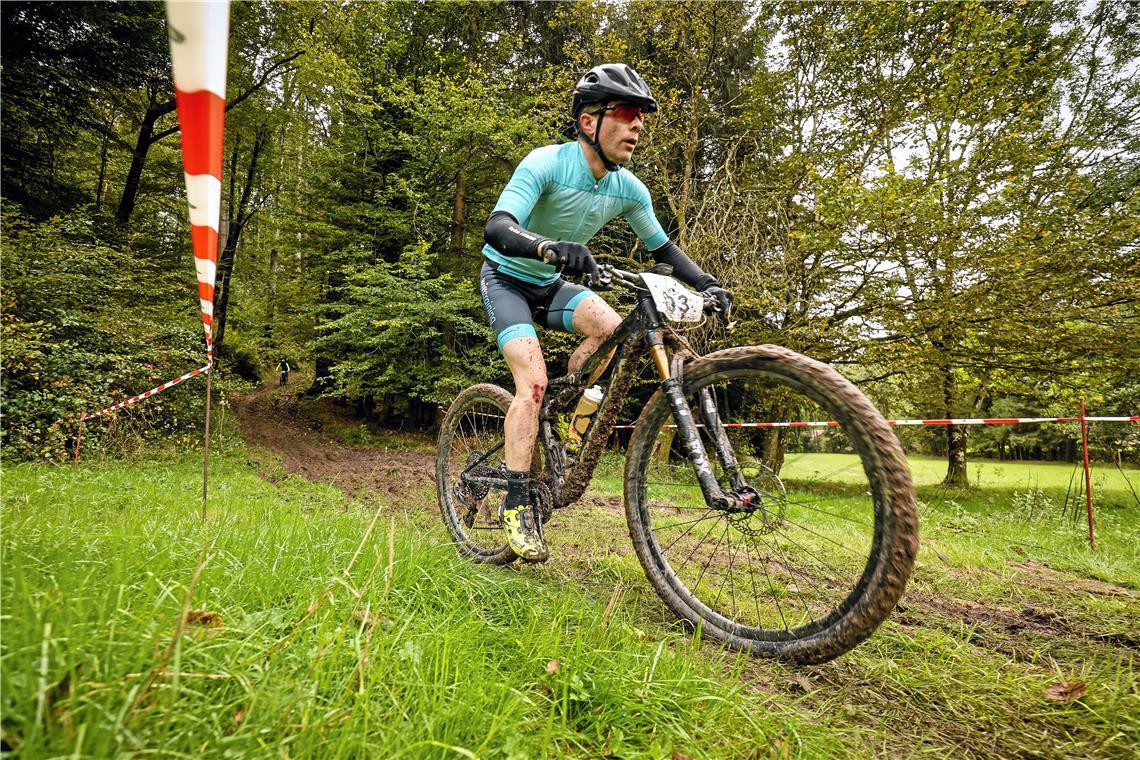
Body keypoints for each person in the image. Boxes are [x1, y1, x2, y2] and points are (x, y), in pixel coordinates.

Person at [480, 63, 733, 562]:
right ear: (589, 122)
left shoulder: (629, 189)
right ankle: (515, 504)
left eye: (642, 116)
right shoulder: (546, 164)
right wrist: (548, 246)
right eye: (626, 112)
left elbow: (663, 250)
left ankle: (567, 419)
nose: (638, 124)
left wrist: (706, 283)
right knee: (531, 383)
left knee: (613, 330)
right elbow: (498, 227)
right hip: (506, 279)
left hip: (552, 285)